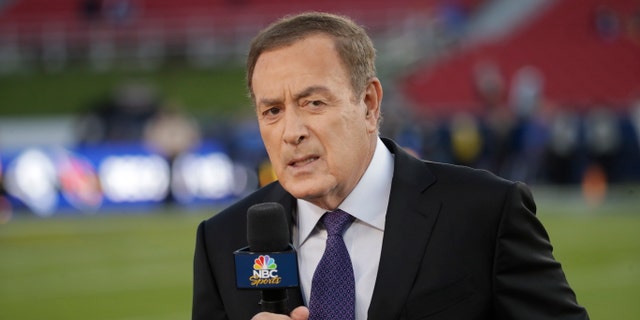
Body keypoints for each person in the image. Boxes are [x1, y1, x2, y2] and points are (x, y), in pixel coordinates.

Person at [192, 12, 589, 320]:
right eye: (272, 110)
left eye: (313, 103)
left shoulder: (485, 212)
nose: (290, 132)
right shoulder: (221, 240)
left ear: (369, 103)